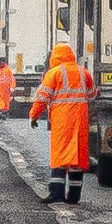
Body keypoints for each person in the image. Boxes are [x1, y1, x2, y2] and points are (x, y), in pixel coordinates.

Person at [28, 43, 98, 205]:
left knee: (60, 156)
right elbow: (92, 94)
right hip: (80, 120)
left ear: (55, 58)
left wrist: (34, 116)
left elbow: (42, 98)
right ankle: (74, 196)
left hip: (62, 120)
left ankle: (56, 193)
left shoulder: (54, 73)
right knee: (77, 158)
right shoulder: (83, 72)